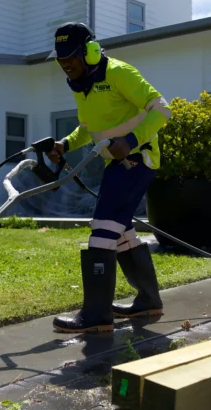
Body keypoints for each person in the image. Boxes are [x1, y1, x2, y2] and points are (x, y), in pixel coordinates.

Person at [46, 21, 173, 333]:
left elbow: (162, 109)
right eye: (61, 60)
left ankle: (96, 315)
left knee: (103, 228)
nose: (66, 65)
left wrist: (130, 141)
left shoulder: (119, 73)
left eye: (71, 57)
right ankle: (148, 300)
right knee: (121, 231)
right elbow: (88, 128)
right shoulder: (82, 85)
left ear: (90, 51)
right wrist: (65, 144)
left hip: (138, 158)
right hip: (117, 164)